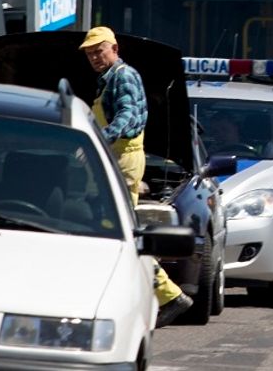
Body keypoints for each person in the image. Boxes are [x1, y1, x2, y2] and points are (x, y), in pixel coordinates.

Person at [80, 25, 192, 327]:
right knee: (110, 229)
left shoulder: (123, 76)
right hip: (115, 158)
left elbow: (128, 115)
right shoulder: (106, 80)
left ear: (114, 49)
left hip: (124, 158)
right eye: (90, 53)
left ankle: (169, 296)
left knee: (124, 233)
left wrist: (100, 138)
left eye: (98, 51)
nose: (94, 57)